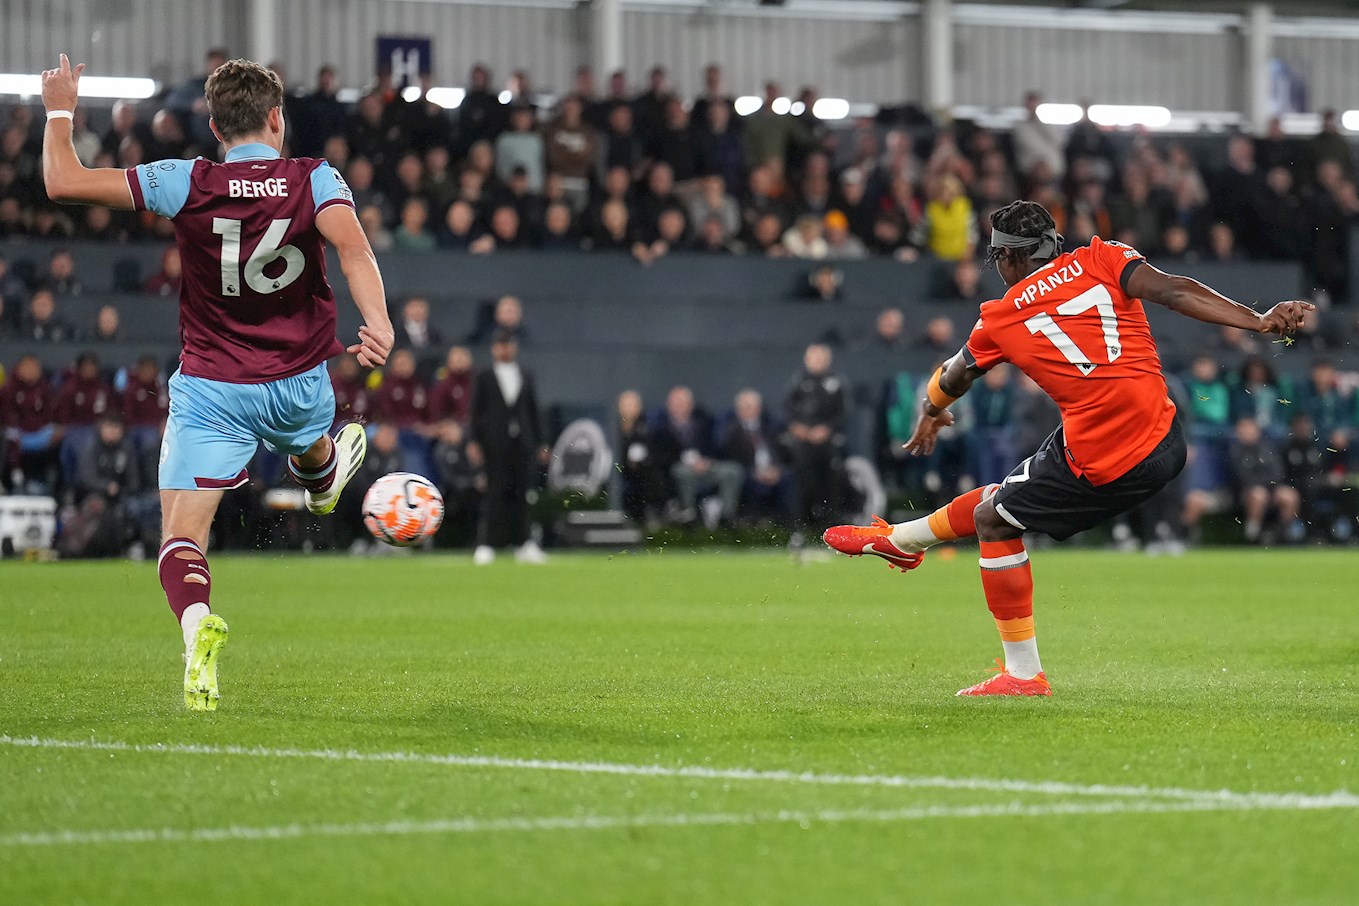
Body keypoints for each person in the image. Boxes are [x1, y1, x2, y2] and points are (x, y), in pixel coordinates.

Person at [823, 199, 1312, 697]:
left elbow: (954, 374)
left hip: (1106, 461)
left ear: (1010, 257)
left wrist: (930, 409)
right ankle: (903, 541)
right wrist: (1258, 320)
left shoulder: (1001, 317)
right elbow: (1173, 290)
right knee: (1004, 498)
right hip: (1165, 437)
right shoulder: (1105, 256)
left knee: (995, 520)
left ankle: (1021, 673)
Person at [41, 54, 393, 710]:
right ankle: (322, 480)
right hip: (298, 381)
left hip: (214, 388)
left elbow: (62, 182)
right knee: (310, 444)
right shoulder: (314, 178)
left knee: (181, 535)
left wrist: (61, 109)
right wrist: (377, 321)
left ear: (214, 126)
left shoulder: (186, 180)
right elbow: (353, 249)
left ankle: (197, 625)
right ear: (276, 119)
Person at [468, 330, 546, 565]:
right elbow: (476, 411)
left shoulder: (526, 374)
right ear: (494, 348)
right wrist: (474, 441)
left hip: (522, 443)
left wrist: (541, 442)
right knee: (494, 494)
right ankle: (486, 544)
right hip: (494, 444)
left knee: (522, 494)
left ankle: (524, 544)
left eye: (508, 344)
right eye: (501, 345)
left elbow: (533, 409)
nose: (505, 349)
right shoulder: (484, 375)